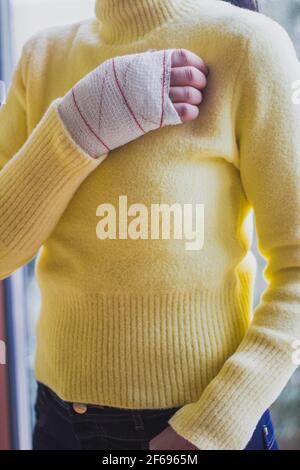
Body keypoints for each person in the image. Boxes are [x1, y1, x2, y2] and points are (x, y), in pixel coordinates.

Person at [0, 0, 299, 451]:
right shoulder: (41, 57)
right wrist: (79, 123)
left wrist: (211, 429)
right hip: (57, 419)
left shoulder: (248, 44)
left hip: (194, 423)